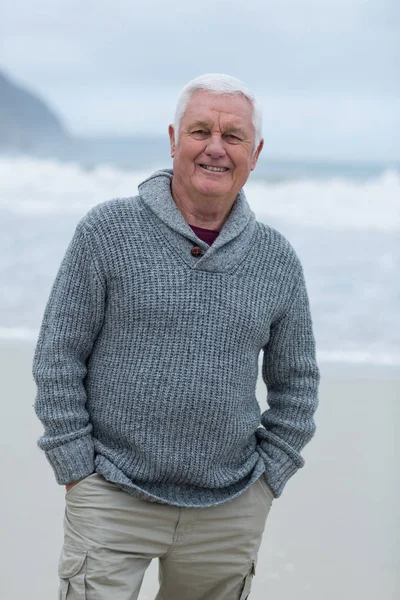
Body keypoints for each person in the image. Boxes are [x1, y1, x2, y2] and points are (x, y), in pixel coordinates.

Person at [33, 73, 320, 600]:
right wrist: (76, 468)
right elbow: (58, 356)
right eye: (200, 131)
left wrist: (268, 479)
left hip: (229, 505)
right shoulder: (107, 232)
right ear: (173, 140)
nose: (216, 148)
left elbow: (296, 384)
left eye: (233, 136)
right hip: (112, 495)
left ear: (254, 154)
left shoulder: (276, 259)